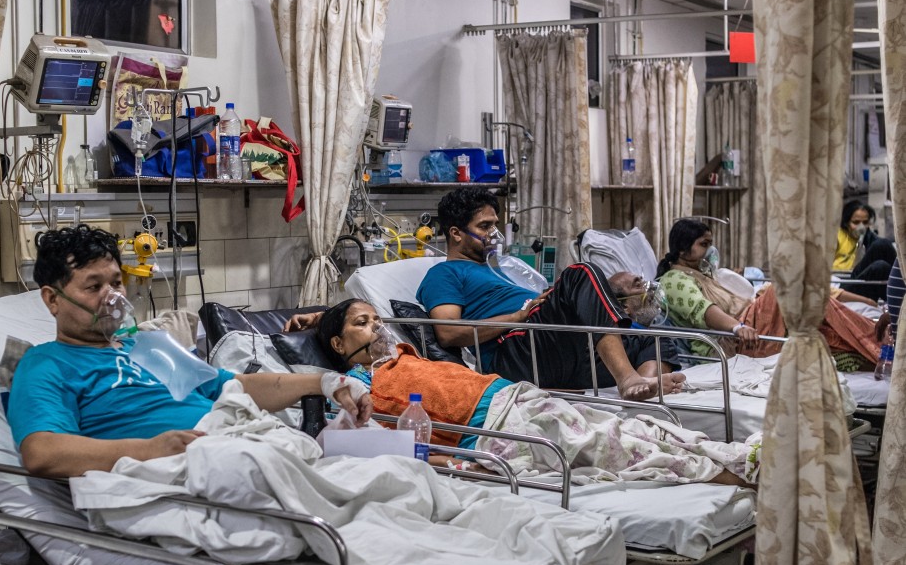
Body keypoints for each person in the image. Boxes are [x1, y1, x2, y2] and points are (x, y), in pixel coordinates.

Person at [6, 224, 372, 479]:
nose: (113, 297)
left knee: (389, 472)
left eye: (116, 282)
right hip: (188, 467)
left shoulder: (150, 347)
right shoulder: (46, 364)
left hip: (238, 441)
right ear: (53, 299)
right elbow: (42, 452)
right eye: (93, 286)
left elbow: (238, 387)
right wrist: (147, 449)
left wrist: (326, 382)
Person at [314, 299, 755, 486]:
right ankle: (734, 479)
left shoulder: (402, 354)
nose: (376, 326)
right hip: (495, 427)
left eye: (376, 319)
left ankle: (732, 456)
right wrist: (316, 329)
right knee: (611, 446)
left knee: (634, 425)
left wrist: (325, 318)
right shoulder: (359, 387)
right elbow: (369, 441)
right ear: (338, 346)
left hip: (517, 395)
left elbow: (364, 326)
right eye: (361, 323)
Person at [414, 187, 685, 400]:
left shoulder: (497, 269)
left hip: (555, 353)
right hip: (515, 352)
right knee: (580, 272)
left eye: (496, 225)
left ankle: (644, 384)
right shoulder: (444, 274)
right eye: (485, 227)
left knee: (651, 336)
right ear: (455, 234)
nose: (495, 235)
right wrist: (519, 316)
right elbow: (448, 333)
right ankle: (627, 379)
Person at [657, 218, 880, 369]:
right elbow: (703, 311)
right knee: (784, 288)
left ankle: (875, 348)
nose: (711, 250)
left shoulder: (705, 273)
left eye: (711, 244)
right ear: (682, 248)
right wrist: (739, 327)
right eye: (704, 244)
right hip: (733, 341)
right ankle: (876, 338)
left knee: (821, 329)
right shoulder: (674, 279)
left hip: (750, 325)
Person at [833, 200, 895, 303]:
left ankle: (902, 292)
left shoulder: (869, 239)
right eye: (856, 222)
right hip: (842, 284)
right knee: (880, 263)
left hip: (859, 279)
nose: (861, 227)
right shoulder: (837, 237)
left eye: (865, 222)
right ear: (846, 222)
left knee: (883, 249)